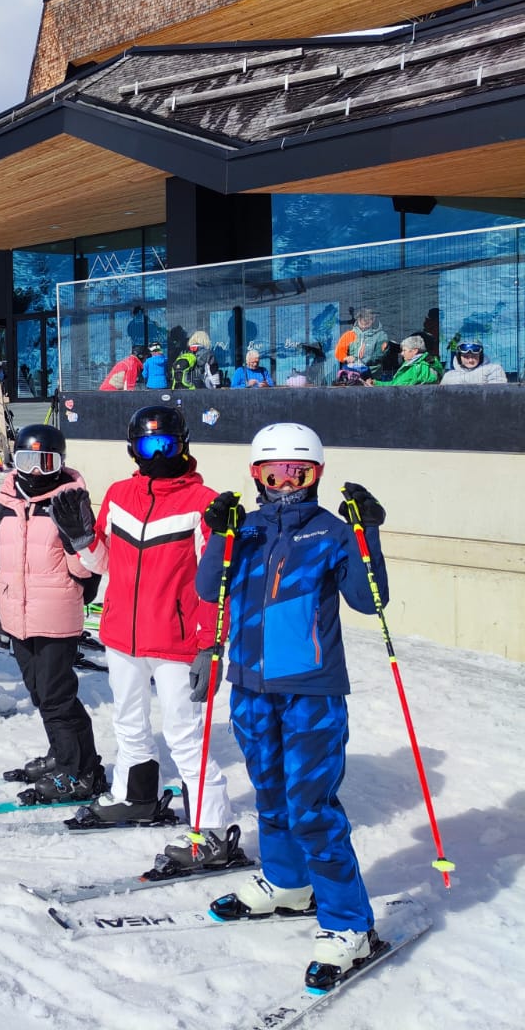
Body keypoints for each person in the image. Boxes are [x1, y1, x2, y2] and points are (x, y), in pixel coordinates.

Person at [201, 424, 389, 992]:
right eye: (274, 473)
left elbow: (368, 599)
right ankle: (287, 883)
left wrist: (366, 533)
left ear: (317, 476)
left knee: (312, 807)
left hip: (311, 691)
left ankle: (348, 923)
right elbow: (209, 589)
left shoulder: (331, 531)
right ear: (256, 475)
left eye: (298, 474)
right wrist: (217, 534)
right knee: (271, 793)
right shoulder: (246, 528)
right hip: (250, 686)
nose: (285, 485)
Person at [49, 405, 238, 844]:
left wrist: (211, 646)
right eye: (148, 445)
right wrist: (82, 540)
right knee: (129, 723)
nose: (157, 454)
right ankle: (135, 796)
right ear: (132, 449)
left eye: (165, 444)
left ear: (183, 445)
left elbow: (218, 585)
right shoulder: (119, 495)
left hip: (177, 642)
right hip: (122, 635)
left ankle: (212, 827)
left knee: (184, 735)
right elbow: (103, 563)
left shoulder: (203, 503)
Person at [0, 424, 101, 798]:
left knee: (55, 695)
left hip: (55, 614)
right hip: (16, 613)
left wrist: (76, 540)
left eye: (45, 463)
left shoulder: (70, 501)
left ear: (60, 463)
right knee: (40, 692)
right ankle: (69, 755)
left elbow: (88, 571)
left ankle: (75, 771)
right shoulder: (5, 501)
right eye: (27, 460)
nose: (35, 471)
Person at [333, 306, 387, 373]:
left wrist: (360, 362)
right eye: (361, 318)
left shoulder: (381, 336)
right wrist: (345, 358)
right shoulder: (349, 335)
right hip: (352, 373)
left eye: (368, 318)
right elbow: (339, 351)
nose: (364, 321)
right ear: (358, 319)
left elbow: (380, 354)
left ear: (373, 319)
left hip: (372, 374)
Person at [441, 339, 507, 384]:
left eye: (474, 356)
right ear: (459, 358)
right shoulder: (449, 375)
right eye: (466, 357)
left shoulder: (493, 369)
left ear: (480, 356)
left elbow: (497, 392)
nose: (470, 360)